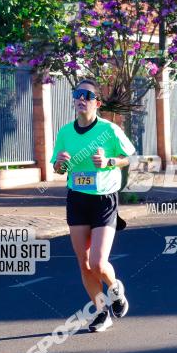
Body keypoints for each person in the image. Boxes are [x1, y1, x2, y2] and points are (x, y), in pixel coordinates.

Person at [51, 78, 135, 332]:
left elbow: (128, 157)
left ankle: (116, 290)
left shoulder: (109, 130)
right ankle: (101, 312)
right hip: (77, 198)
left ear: (97, 103)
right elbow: (57, 168)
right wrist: (60, 164)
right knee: (84, 262)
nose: (81, 99)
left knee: (99, 262)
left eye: (87, 95)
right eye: (78, 94)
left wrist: (109, 161)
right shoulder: (65, 132)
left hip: (104, 199)